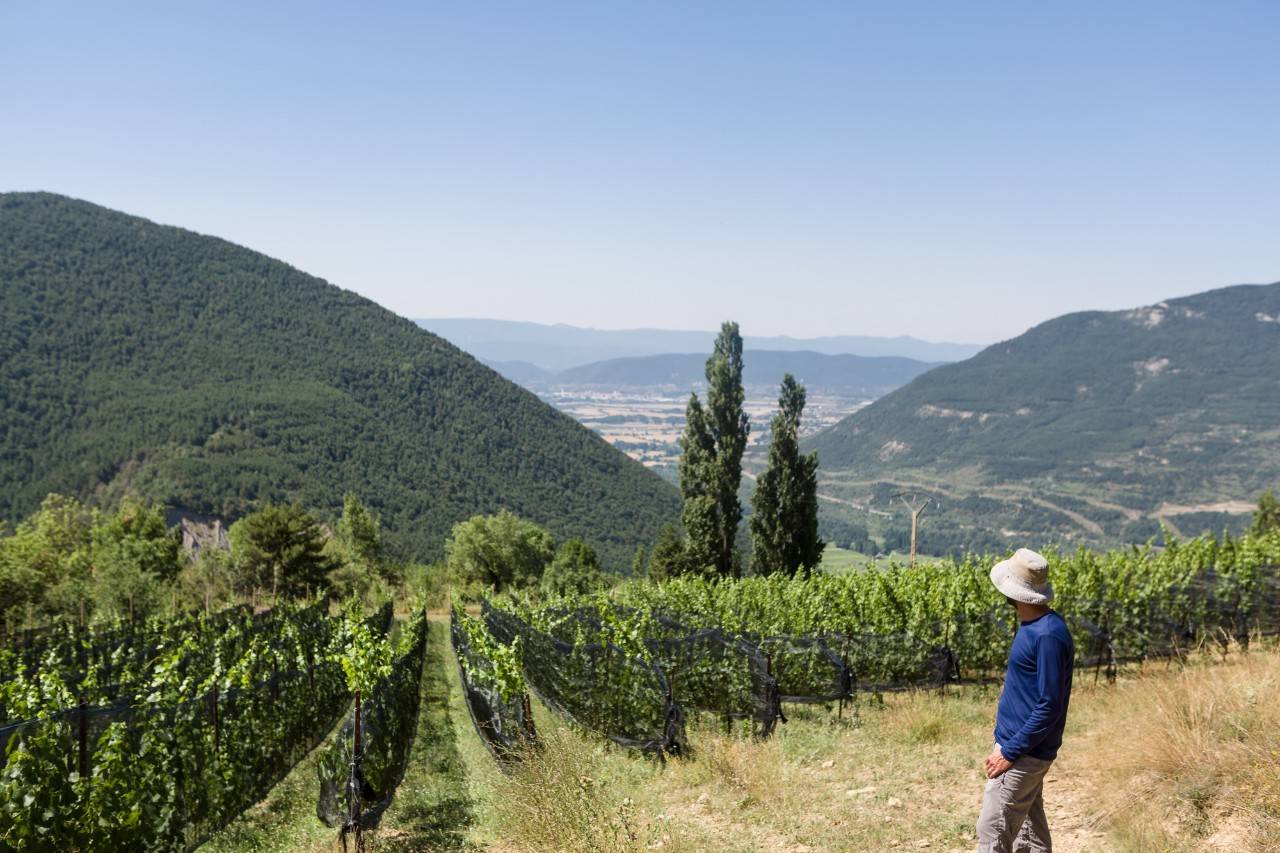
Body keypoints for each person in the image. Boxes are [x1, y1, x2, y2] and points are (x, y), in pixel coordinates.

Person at [976, 548, 1074, 852]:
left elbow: (1050, 704)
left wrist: (1010, 752)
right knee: (1029, 838)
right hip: (1021, 746)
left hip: (1022, 753)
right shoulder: (1035, 626)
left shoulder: (1047, 635)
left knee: (992, 832)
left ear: (1015, 593)